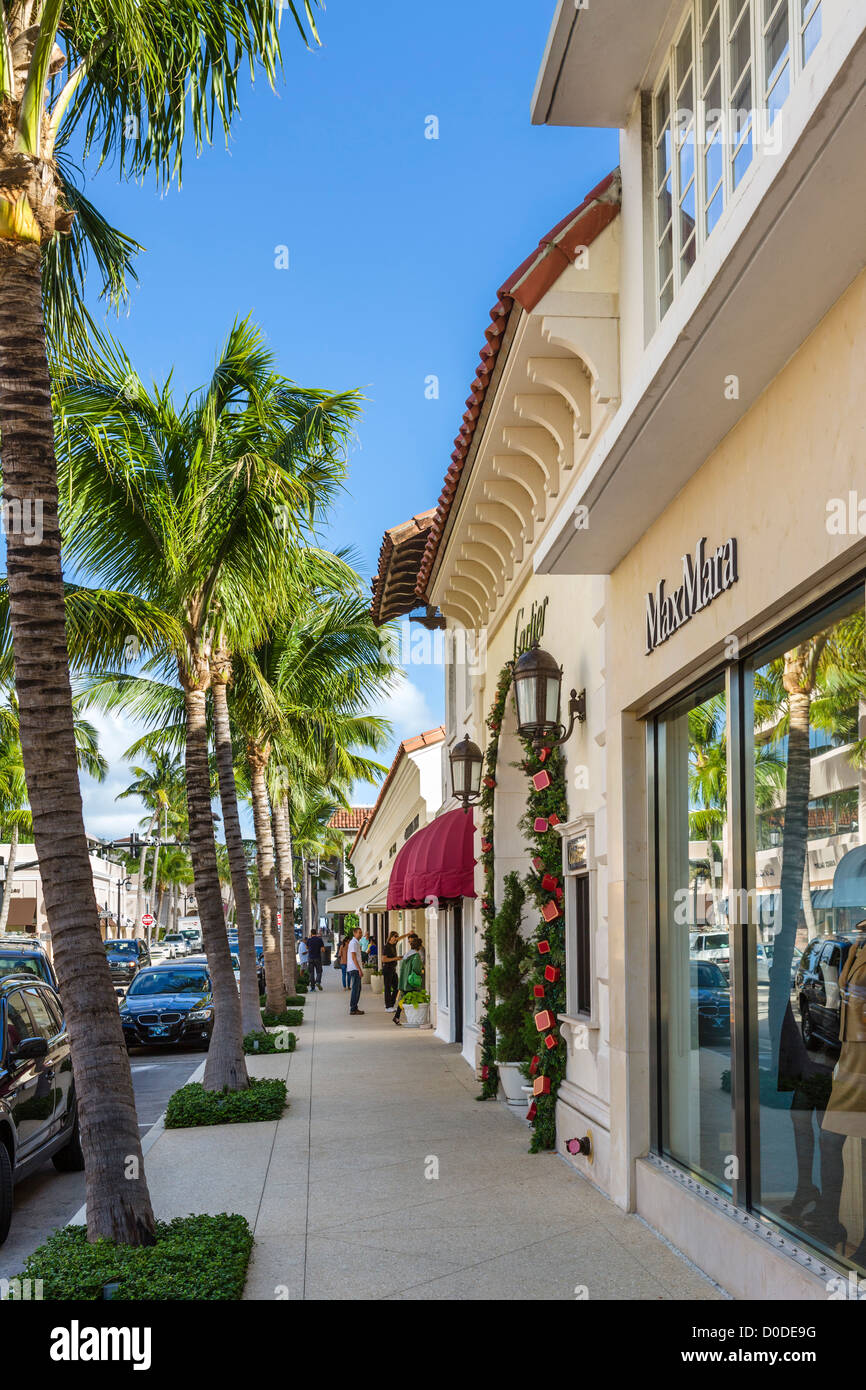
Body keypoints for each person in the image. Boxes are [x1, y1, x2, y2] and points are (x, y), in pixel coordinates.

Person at [393, 933, 424, 1026]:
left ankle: (397, 1016)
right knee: (413, 998)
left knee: (403, 998)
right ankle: (414, 1018)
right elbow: (416, 969)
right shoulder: (416, 956)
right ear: (419, 946)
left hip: (404, 981)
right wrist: (421, 970)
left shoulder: (407, 954)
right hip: (411, 982)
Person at [346, 925, 365, 1015]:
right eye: (359, 932)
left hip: (355, 968)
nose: (361, 934)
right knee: (355, 989)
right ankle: (353, 1008)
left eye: (361, 932)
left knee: (358, 989)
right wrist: (359, 969)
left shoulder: (356, 942)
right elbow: (353, 957)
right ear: (354, 933)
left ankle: (355, 1007)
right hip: (354, 969)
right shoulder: (353, 943)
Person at [381, 931, 400, 1012]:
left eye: (397, 937)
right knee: (388, 988)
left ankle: (390, 1005)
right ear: (391, 937)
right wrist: (395, 958)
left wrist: (408, 934)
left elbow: (400, 938)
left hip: (393, 969)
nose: (396, 938)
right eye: (395, 936)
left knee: (397, 987)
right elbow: (383, 959)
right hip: (387, 969)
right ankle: (388, 1007)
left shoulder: (393, 945)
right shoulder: (386, 947)